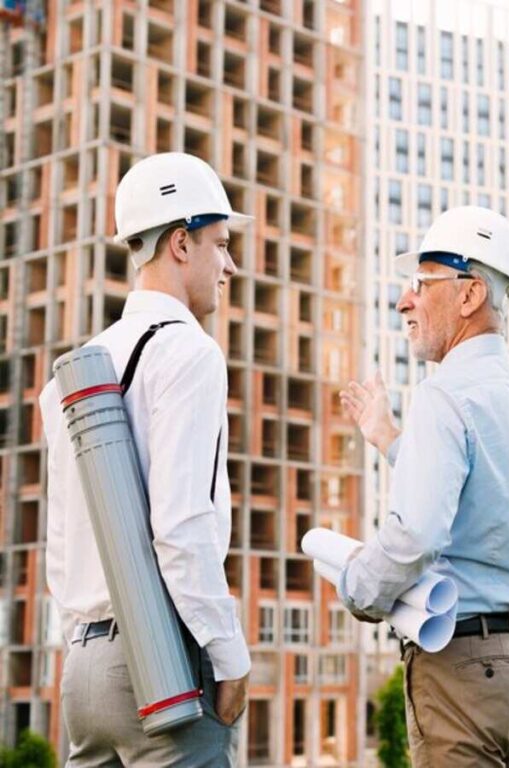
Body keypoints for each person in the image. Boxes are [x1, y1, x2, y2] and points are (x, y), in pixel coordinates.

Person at [40, 152, 251, 766]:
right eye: (221, 244)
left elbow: (60, 543)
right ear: (180, 243)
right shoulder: (190, 353)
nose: (229, 265)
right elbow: (182, 528)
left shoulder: (72, 377)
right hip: (162, 666)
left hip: (84, 672)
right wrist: (229, 655)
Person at [339, 205, 509, 767]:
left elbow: (416, 534)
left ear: (469, 295)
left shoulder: (444, 395)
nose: (404, 301)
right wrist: (392, 441)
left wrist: (359, 588)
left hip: (466, 670)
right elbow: (498, 506)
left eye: (422, 283)